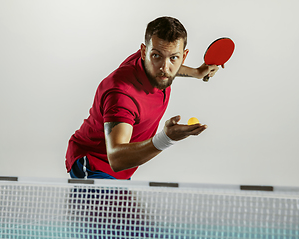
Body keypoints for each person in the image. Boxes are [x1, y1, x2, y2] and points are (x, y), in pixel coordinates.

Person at [65, 16, 221, 180]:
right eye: (156, 56)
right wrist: (166, 139)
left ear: (184, 56)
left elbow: (166, 64)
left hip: (123, 169)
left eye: (173, 57)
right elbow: (116, 158)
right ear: (144, 52)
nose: (164, 68)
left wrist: (197, 72)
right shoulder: (122, 94)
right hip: (94, 165)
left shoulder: (155, 66)